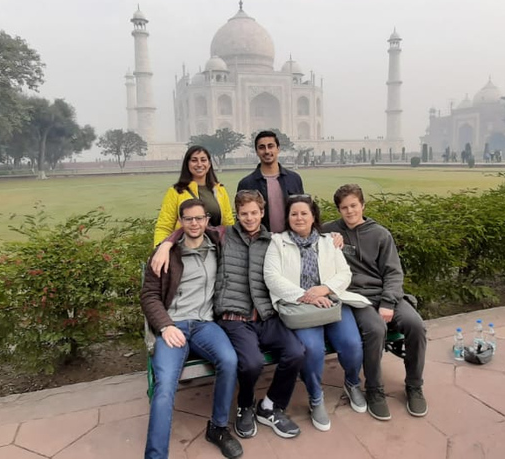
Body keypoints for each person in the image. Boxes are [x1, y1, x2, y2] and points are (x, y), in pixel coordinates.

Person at [152, 190, 306, 441]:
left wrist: (333, 236)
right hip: (235, 318)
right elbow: (192, 226)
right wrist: (167, 243)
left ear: (262, 213)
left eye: (254, 213)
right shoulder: (223, 235)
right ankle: (245, 405)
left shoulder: (273, 240)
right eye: (243, 213)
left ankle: (270, 406)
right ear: (237, 215)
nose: (249, 218)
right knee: (252, 362)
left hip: (266, 315)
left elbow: (305, 236)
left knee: (297, 352)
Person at [141, 199, 242, 459]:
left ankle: (218, 428)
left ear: (208, 220)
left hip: (205, 325)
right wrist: (164, 326)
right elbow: (149, 296)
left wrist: (332, 233)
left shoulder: (219, 244)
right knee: (164, 387)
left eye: (199, 218)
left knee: (229, 360)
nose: (194, 223)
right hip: (174, 327)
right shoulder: (166, 253)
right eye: (188, 219)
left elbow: (253, 227)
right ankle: (155, 456)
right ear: (181, 221)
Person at [263, 194, 369, 432]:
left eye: (304, 213)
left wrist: (325, 289)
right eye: (294, 213)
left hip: (330, 301)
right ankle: (315, 397)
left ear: (313, 217)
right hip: (300, 306)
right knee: (312, 350)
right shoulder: (277, 242)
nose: (299, 218)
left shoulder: (328, 241)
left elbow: (345, 273)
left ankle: (352, 383)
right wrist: (306, 295)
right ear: (287, 217)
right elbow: (272, 278)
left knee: (352, 344)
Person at [322, 184, 428, 421]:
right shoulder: (329, 231)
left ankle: (414, 385)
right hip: (356, 298)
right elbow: (305, 235)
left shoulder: (380, 234)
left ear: (363, 206)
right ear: (338, 210)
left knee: (416, 325)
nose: (349, 212)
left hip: (385, 295)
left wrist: (389, 303)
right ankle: (375, 389)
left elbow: (393, 273)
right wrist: (327, 237)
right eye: (344, 208)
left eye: (353, 206)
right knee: (375, 328)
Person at [153, 145, 234, 246]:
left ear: (209, 164)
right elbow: (164, 226)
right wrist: (160, 248)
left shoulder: (220, 190)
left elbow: (228, 224)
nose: (199, 164)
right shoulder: (176, 191)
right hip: (185, 248)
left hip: (216, 249)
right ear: (187, 164)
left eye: (203, 160)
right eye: (194, 160)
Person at [237, 130, 304, 233]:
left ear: (278, 149)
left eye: (270, 146)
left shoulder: (294, 179)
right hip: (260, 242)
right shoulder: (247, 184)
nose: (267, 151)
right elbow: (242, 218)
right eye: (262, 147)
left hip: (291, 240)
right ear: (256, 151)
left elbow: (303, 210)